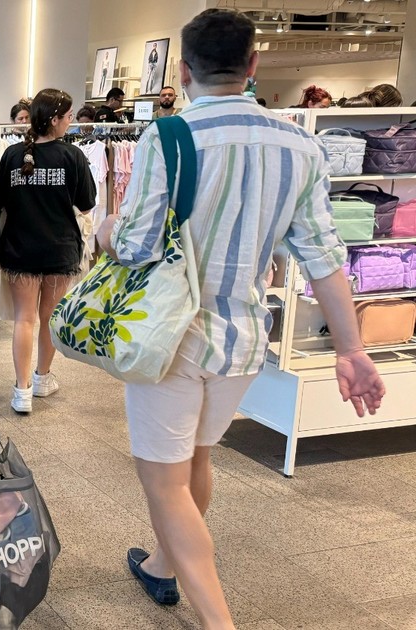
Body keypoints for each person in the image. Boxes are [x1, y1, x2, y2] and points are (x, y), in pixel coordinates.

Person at [95, 10, 385, 627]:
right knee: (197, 459)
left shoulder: (168, 138)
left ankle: (219, 622)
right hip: (243, 338)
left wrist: (104, 230)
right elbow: (323, 257)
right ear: (253, 64)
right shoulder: (300, 145)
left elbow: (137, 244)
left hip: (169, 338)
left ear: (182, 70)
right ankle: (162, 566)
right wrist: (350, 349)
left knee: (165, 484)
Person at [0, 88, 96, 414]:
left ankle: (21, 391)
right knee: (49, 318)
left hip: (19, 249)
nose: (70, 122)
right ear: (54, 120)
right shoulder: (72, 156)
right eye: (68, 116)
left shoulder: (12, 155)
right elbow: (86, 204)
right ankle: (42, 378)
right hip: (59, 251)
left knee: (24, 320)